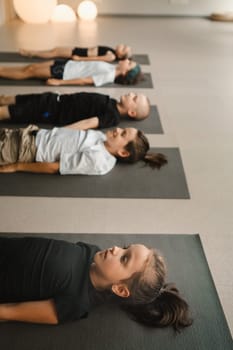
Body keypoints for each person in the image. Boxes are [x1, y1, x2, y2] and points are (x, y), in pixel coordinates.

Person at [0, 236, 193, 330]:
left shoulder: (77, 301)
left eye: (124, 258)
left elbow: (12, 311)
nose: (116, 249)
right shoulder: (92, 251)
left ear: (119, 288)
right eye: (125, 248)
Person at [0, 124, 167, 175]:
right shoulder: (103, 138)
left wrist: (17, 166)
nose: (117, 130)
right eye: (123, 128)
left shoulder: (99, 160)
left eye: (122, 134)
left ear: (123, 152)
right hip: (29, 134)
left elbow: (55, 167)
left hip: (25, 149)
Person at [0, 92, 150, 130]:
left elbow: (88, 123)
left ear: (131, 112)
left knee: (8, 112)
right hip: (54, 98)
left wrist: (62, 131)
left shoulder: (113, 116)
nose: (131, 93)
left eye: (134, 98)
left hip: (51, 110)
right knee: (9, 99)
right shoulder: (112, 101)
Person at [0, 58, 142, 87]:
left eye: (129, 64)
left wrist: (59, 82)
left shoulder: (109, 76)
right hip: (68, 64)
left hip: (64, 72)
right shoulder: (111, 68)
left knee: (29, 71)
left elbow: (85, 81)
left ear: (125, 73)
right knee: (31, 66)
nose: (127, 60)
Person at [19, 44, 132, 62]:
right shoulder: (112, 51)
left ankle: (32, 53)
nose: (121, 45)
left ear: (121, 55)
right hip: (80, 50)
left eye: (123, 48)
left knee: (55, 52)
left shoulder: (111, 56)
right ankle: (34, 52)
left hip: (81, 54)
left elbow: (96, 59)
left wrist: (79, 59)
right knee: (55, 50)